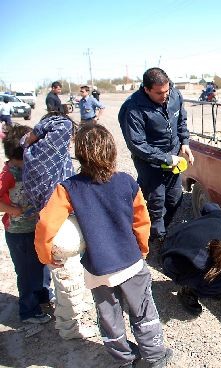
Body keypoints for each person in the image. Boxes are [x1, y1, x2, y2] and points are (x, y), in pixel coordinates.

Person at [35, 124, 173, 367]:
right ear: (112, 152)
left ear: (79, 154)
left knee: (109, 316)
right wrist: (141, 249)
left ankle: (124, 360)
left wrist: (45, 254)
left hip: (98, 268)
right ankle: (154, 356)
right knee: (143, 312)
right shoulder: (127, 182)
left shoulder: (67, 188)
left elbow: (46, 224)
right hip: (130, 262)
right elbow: (142, 220)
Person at [22, 112, 97, 339]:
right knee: (70, 283)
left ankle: (67, 321)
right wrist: (39, 131)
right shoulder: (49, 149)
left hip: (50, 226)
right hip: (60, 226)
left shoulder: (32, 153)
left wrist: (31, 137)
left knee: (63, 281)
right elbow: (61, 124)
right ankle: (70, 330)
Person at [118, 67, 194, 258]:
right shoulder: (132, 109)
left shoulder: (174, 95)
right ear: (146, 89)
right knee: (156, 203)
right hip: (149, 164)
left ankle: (160, 231)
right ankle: (157, 242)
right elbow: (137, 144)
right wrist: (166, 158)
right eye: (159, 93)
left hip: (174, 159)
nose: (165, 96)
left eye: (166, 91)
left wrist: (184, 142)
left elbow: (181, 120)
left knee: (175, 199)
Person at [161, 203, 221, 316]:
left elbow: (208, 207)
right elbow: (169, 265)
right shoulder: (201, 262)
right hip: (172, 249)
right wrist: (183, 277)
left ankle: (216, 282)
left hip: (181, 232)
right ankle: (187, 292)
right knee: (218, 285)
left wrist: (205, 225)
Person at [0, 125, 53, 325]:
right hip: (18, 232)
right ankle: (28, 310)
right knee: (26, 271)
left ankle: (43, 295)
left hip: (35, 228)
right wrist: (13, 210)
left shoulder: (29, 168)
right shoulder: (9, 173)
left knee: (40, 263)